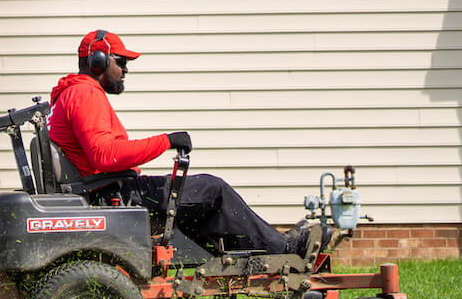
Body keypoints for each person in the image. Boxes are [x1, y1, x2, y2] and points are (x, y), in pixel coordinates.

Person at [47, 29, 314, 256]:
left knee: (196, 198)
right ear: (99, 61)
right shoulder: (84, 94)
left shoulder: (73, 93)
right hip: (112, 195)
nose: (125, 70)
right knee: (212, 189)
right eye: (121, 62)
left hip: (103, 189)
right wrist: (167, 141)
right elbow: (105, 155)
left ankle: (254, 259)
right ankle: (283, 250)